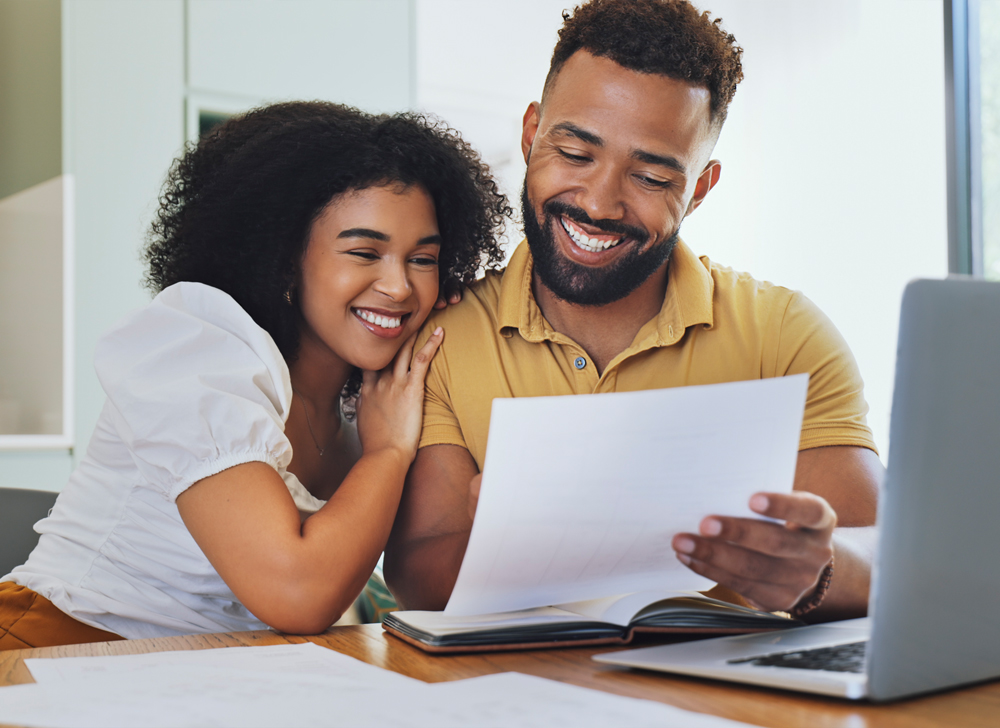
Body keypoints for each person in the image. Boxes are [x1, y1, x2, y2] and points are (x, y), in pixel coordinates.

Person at [384, 0, 881, 622]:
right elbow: (417, 576)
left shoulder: (784, 334)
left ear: (699, 188)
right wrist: (533, 543)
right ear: (531, 132)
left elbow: (881, 551)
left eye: (650, 178)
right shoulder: (444, 337)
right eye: (575, 154)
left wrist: (819, 570)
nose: (599, 202)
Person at [0, 101, 509, 649]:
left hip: (217, 672)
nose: (400, 287)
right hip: (57, 649)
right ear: (286, 256)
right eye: (364, 252)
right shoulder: (198, 348)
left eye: (423, 259)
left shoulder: (378, 394)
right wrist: (387, 454)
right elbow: (297, 592)